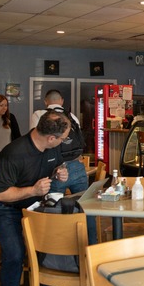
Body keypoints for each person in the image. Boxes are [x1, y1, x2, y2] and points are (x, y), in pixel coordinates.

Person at [0, 110, 70, 286]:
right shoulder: (14, 153)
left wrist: (59, 172)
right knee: (15, 251)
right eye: (62, 139)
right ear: (50, 138)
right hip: (2, 208)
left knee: (51, 242)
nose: (63, 142)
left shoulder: (52, 148)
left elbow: (55, 166)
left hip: (31, 206)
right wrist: (33, 190)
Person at [30, 89, 97, 244]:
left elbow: (36, 142)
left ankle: (55, 249)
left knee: (54, 209)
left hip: (54, 168)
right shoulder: (71, 116)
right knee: (85, 208)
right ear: (61, 101)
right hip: (77, 167)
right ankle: (91, 245)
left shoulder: (39, 115)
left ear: (46, 101)